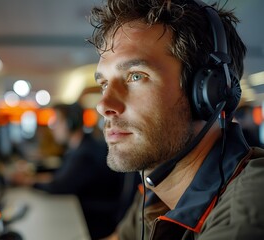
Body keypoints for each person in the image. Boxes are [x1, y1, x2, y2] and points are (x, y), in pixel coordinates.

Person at [87, 0, 264, 239]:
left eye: (135, 76)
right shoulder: (155, 186)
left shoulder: (252, 203)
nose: (103, 105)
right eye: (104, 83)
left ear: (210, 93)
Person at [11, 102, 139, 239]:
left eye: (56, 121)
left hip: (98, 220)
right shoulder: (81, 147)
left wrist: (28, 182)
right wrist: (34, 176)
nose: (52, 127)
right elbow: (61, 174)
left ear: (70, 123)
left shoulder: (85, 154)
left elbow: (60, 185)